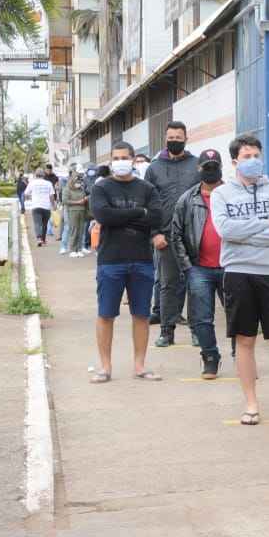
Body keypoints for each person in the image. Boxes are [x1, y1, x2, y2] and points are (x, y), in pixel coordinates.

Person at [211, 134, 269, 425]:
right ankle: (251, 404)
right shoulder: (222, 194)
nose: (253, 161)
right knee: (244, 340)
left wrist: (248, 233)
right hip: (238, 272)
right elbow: (224, 230)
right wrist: (262, 226)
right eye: (246, 157)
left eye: (256, 155)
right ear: (235, 161)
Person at [88, 141, 162, 384]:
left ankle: (140, 365)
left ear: (133, 159)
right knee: (106, 314)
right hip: (110, 260)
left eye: (124, 157)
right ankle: (105, 367)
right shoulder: (102, 188)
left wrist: (120, 218)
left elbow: (156, 217)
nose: (120, 161)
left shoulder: (147, 188)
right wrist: (138, 213)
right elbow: (102, 215)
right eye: (116, 157)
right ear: (111, 161)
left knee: (141, 314)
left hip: (141, 260)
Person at [171, 149, 226, 379]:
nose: (210, 170)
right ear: (199, 169)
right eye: (206, 166)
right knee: (202, 317)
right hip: (199, 268)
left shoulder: (234, 194)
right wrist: (187, 266)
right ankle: (210, 357)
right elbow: (176, 234)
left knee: (238, 316)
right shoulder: (187, 199)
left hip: (230, 266)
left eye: (214, 166)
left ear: (222, 167)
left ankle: (241, 357)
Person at [145, 122, 200, 345]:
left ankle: (198, 330)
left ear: (186, 138)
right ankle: (167, 330)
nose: (174, 140)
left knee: (197, 283)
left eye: (179, 137)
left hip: (196, 235)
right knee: (168, 284)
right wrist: (154, 233)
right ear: (165, 139)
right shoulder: (154, 167)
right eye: (171, 137)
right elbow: (147, 203)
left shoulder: (197, 164)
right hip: (166, 235)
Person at [24, 169, 56, 247]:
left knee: (37, 223)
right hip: (46, 206)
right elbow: (51, 196)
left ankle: (39, 238)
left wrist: (31, 197)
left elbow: (26, 194)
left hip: (36, 205)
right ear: (43, 175)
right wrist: (53, 205)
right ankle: (43, 240)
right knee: (44, 224)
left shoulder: (32, 183)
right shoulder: (48, 183)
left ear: (35, 175)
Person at [62, 169, 89, 258]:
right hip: (72, 212)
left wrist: (85, 200)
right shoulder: (67, 189)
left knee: (81, 231)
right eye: (77, 181)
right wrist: (78, 202)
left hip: (82, 211)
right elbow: (65, 201)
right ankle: (72, 249)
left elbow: (85, 198)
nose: (79, 183)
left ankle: (79, 249)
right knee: (74, 230)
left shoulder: (81, 189)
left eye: (80, 181)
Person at [43, 164, 59, 240]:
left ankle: (49, 229)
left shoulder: (55, 177)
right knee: (47, 214)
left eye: (49, 170)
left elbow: (57, 187)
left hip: (53, 197)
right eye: (47, 170)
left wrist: (58, 198)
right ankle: (48, 230)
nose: (48, 171)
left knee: (52, 214)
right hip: (45, 198)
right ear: (45, 169)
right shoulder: (43, 176)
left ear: (51, 170)